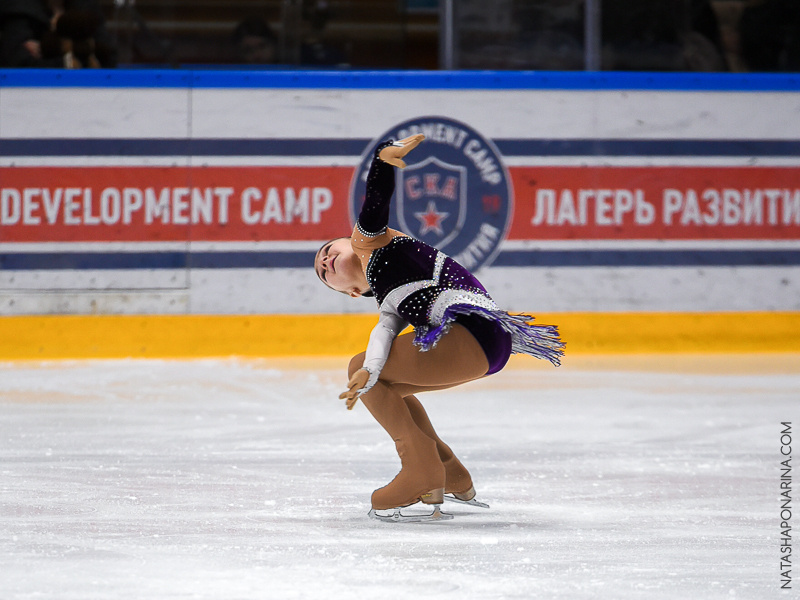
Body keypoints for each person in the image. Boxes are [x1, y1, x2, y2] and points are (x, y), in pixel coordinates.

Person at [314, 134, 564, 521]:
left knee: (362, 372)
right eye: (322, 271)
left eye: (329, 251)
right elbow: (383, 332)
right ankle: (450, 473)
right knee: (374, 379)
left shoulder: (369, 243)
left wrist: (383, 160)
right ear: (349, 292)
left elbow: (375, 202)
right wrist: (370, 369)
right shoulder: (390, 297)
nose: (327, 260)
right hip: (486, 345)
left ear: (349, 241)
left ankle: (420, 471)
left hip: (470, 334)